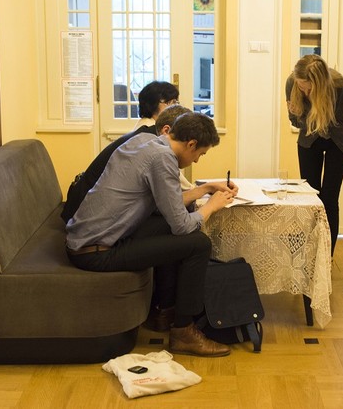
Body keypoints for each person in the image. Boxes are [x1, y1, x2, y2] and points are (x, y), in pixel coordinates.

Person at [66, 112, 238, 357]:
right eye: (200, 154)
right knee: (198, 244)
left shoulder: (145, 142)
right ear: (191, 144)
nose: (197, 160)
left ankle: (163, 312)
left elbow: (167, 205)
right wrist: (212, 206)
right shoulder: (163, 159)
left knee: (168, 225)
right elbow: (182, 225)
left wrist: (206, 189)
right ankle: (184, 333)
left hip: (85, 239)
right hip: (95, 252)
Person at [60, 104, 190, 223]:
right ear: (166, 130)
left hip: (82, 207)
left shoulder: (145, 135)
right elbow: (169, 197)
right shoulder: (153, 147)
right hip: (84, 213)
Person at [285, 55, 343, 256]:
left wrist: (313, 113)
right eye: (301, 87)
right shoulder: (292, 83)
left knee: (329, 199)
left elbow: (341, 120)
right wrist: (299, 114)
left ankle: (326, 256)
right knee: (310, 196)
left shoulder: (338, 85)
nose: (305, 92)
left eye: (309, 89)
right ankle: (310, 254)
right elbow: (295, 122)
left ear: (320, 83)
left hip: (337, 140)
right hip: (309, 139)